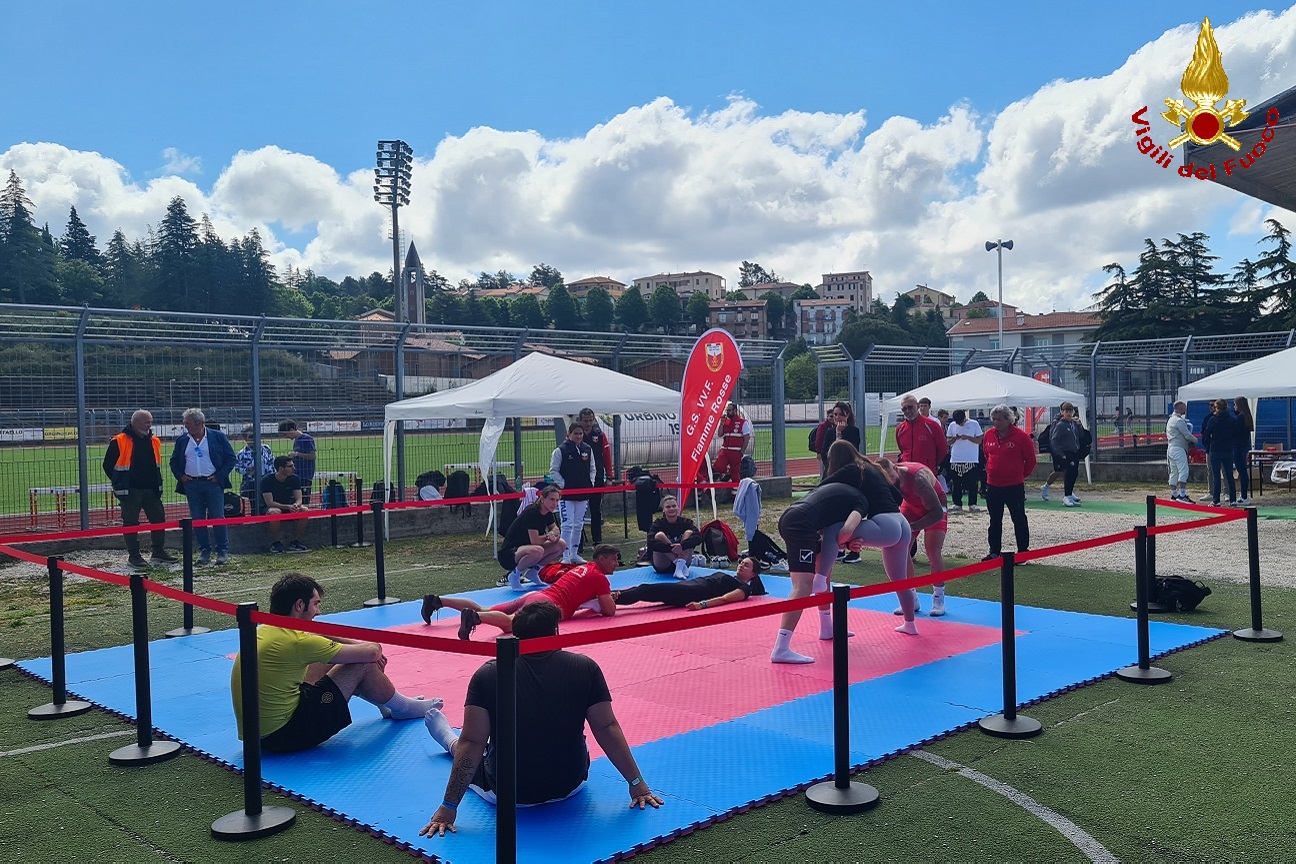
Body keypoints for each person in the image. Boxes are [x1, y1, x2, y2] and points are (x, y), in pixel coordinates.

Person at [419, 601, 661, 837]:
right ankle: (450, 737)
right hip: (571, 785)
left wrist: (448, 809)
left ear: (515, 635)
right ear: (555, 632)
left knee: (466, 744)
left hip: (507, 794)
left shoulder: (488, 674)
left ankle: (446, 737)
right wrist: (637, 783)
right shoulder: (586, 667)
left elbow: (472, 743)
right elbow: (606, 727)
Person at [230, 573, 431, 753]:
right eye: (316, 604)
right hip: (284, 737)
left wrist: (350, 644)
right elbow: (372, 652)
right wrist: (362, 647)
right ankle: (401, 706)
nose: (318, 611)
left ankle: (386, 705)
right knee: (361, 663)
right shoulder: (297, 642)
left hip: (257, 737)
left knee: (336, 658)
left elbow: (314, 639)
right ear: (299, 605)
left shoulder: (267, 630)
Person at [421, 545, 619, 639]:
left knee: (487, 608)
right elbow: (609, 611)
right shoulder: (599, 578)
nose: (616, 564)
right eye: (613, 560)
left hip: (538, 597)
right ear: (602, 559)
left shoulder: (583, 568)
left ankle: (437, 601)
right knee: (512, 626)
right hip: (546, 605)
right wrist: (611, 598)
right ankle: (475, 618)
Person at [822, 441, 917, 630]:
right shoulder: (872, 467)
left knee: (833, 530)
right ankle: (910, 624)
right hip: (900, 521)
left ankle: (820, 577)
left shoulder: (851, 469)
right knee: (899, 579)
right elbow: (898, 497)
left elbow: (824, 486)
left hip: (885, 524)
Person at [103, 409, 178, 569]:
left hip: (151, 489)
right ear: (135, 422)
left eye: (150, 421)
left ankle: (158, 552)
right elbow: (108, 465)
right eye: (146, 422)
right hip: (130, 491)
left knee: (158, 519)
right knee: (131, 522)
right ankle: (134, 556)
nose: (150, 424)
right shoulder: (119, 440)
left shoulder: (154, 441)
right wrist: (120, 483)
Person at [877, 457, 948, 617]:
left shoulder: (918, 479)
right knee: (902, 549)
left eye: (891, 478)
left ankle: (939, 597)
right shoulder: (885, 477)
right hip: (911, 505)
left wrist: (913, 527)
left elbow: (936, 512)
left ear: (895, 468)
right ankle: (911, 597)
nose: (890, 483)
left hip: (934, 505)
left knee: (932, 550)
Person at [169, 407, 236, 566]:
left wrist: (219, 476)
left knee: (217, 517)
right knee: (198, 518)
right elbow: (173, 461)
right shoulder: (183, 440)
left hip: (212, 484)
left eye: (187, 424)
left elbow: (231, 458)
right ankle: (205, 550)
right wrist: (181, 477)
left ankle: (222, 551)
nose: (185, 427)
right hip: (192, 484)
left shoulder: (217, 437)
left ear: (198, 423)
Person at [981, 404, 1036, 562]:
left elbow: (1031, 461)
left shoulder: (1021, 437)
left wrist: (1019, 475)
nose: (995, 423)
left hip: (1014, 486)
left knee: (1018, 518)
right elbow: (986, 455)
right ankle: (994, 552)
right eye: (993, 419)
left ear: (1008, 419)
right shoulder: (989, 435)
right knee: (994, 520)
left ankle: (1023, 552)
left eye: (999, 419)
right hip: (993, 485)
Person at [614, 556, 766, 610]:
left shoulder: (744, 588)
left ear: (753, 574)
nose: (741, 565)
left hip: (691, 593)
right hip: (688, 586)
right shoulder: (732, 579)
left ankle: (608, 600)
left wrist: (702, 605)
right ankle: (610, 596)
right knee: (645, 589)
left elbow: (725, 599)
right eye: (741, 562)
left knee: (645, 590)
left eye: (746, 565)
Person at [496, 484, 566, 591]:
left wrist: (553, 534)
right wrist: (549, 536)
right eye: (552, 499)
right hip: (510, 554)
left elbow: (555, 529)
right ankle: (514, 576)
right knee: (537, 550)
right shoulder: (532, 512)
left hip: (528, 550)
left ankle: (533, 573)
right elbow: (535, 541)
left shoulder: (547, 512)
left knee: (561, 544)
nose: (555, 504)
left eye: (557, 500)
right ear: (542, 499)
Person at [550, 422, 596, 564]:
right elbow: (553, 471)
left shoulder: (587, 449)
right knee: (567, 524)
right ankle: (566, 555)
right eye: (575, 433)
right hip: (567, 495)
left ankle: (574, 554)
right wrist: (564, 485)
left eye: (580, 433)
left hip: (583, 494)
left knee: (578, 525)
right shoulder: (560, 450)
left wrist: (591, 482)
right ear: (569, 434)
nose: (578, 436)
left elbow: (593, 468)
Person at [577, 408, 614, 548]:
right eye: (585, 421)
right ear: (580, 420)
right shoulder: (575, 434)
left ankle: (597, 541)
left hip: (597, 477)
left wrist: (609, 477)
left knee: (595, 510)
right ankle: (578, 542)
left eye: (590, 420)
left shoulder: (599, 435)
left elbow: (607, 457)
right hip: (579, 479)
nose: (587, 423)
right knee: (579, 510)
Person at [261, 455, 311, 553]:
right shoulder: (267, 480)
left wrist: (296, 505)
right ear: (281, 468)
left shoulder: (294, 479)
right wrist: (287, 506)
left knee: (305, 510)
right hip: (270, 508)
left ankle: (295, 541)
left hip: (289, 507)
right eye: (290, 466)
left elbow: (299, 499)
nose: (294, 468)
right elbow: (269, 502)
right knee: (275, 512)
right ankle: (276, 543)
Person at [647, 494, 702, 579]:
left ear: (678, 508)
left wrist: (682, 546)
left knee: (689, 533)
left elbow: (698, 537)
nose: (671, 508)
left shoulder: (686, 522)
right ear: (663, 510)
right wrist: (671, 548)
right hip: (663, 565)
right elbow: (650, 542)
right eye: (668, 507)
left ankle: (680, 567)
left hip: (684, 560)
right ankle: (679, 566)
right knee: (659, 535)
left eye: (673, 506)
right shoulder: (657, 524)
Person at [1041, 402, 1084, 507]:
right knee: (1062, 472)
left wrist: (1079, 425)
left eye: (1070, 411)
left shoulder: (1073, 423)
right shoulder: (1060, 424)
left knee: (1072, 473)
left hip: (1073, 452)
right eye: (1066, 411)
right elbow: (1054, 440)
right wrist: (1060, 453)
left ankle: (1069, 493)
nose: (1069, 413)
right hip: (1063, 453)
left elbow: (1080, 436)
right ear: (1062, 412)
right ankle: (1064, 494)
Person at [895, 393, 948, 475]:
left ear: (917, 406)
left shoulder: (932, 425)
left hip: (927, 473)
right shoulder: (900, 429)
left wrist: (931, 464)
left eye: (910, 407)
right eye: (904, 409)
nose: (907, 411)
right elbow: (902, 450)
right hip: (906, 474)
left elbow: (942, 450)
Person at [1200, 399, 1238, 505]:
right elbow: (1235, 433)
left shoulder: (1213, 419)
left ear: (1216, 408)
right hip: (1228, 448)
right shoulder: (1232, 419)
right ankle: (1233, 499)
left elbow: (1206, 434)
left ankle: (1216, 500)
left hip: (1215, 449)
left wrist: (1210, 441)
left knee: (1216, 475)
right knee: (1229, 475)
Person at [945, 408, 983, 512]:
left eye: (961, 422)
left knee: (972, 483)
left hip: (971, 458)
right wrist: (955, 438)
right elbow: (948, 442)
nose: (960, 424)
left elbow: (979, 440)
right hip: (956, 458)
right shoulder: (952, 425)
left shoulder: (974, 424)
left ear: (965, 418)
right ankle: (957, 503)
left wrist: (969, 437)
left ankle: (972, 503)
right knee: (956, 483)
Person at [817, 401, 860, 480]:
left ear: (847, 415)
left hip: (848, 470)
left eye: (841, 414)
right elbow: (824, 453)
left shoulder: (854, 431)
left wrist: (839, 433)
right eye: (835, 414)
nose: (837, 417)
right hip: (831, 470)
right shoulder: (830, 432)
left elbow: (852, 452)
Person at [713, 401, 753, 482]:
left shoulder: (743, 422)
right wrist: (721, 423)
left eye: (729, 410)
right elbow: (720, 434)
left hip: (735, 452)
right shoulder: (726, 422)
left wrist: (741, 451)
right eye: (727, 410)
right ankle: (728, 472)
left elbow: (746, 438)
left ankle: (735, 493)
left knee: (735, 475)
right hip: (725, 451)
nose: (727, 412)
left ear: (735, 411)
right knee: (718, 466)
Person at [278, 419, 316, 504]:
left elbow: (312, 456)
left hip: (305, 475)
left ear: (292, 430)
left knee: (303, 501)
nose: (285, 436)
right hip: (297, 474)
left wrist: (296, 454)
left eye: (285, 434)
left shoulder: (307, 439)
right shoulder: (297, 441)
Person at [1165, 401, 1197, 502]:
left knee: (1173, 471)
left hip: (1171, 448)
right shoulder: (1179, 421)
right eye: (1184, 408)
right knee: (1184, 470)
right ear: (1179, 408)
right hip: (1179, 448)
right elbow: (1187, 435)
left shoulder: (1171, 419)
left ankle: (1174, 494)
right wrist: (1195, 440)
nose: (1185, 410)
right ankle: (1182, 495)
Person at [234, 427, 274, 500]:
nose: (254, 438)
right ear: (245, 439)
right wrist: (247, 470)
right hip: (251, 483)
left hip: (268, 482)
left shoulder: (266, 448)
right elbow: (237, 468)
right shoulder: (241, 453)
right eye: (251, 436)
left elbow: (272, 463)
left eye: (256, 435)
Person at [1233, 396, 1255, 506]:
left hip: (1239, 446)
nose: (1234, 407)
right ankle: (1243, 495)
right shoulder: (1246, 416)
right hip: (1244, 445)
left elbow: (1235, 432)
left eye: (1235, 404)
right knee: (1243, 471)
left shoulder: (1240, 418)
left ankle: (1244, 496)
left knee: (1242, 471)